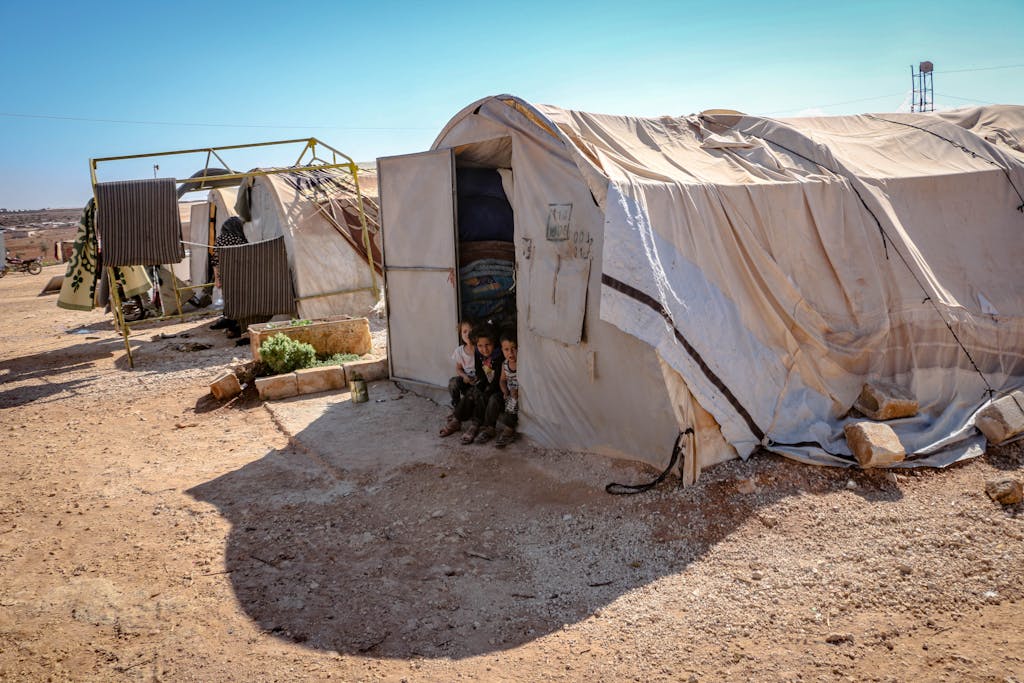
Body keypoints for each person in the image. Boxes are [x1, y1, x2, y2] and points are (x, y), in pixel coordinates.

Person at [439, 324, 503, 443]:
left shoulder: (499, 356)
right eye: (480, 346)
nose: (484, 349)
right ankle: (457, 420)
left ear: (494, 342)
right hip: (486, 384)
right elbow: (480, 372)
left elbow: (498, 380)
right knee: (472, 392)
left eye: (487, 345)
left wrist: (485, 390)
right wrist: (480, 386)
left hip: (498, 388)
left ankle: (475, 425)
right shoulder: (479, 354)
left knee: (484, 395)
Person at [492, 329, 519, 448]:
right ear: (502, 350)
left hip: (519, 394)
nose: (511, 353)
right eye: (506, 349)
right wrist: (505, 391)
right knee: (494, 399)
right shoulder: (505, 364)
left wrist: (516, 392)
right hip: (509, 393)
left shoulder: (523, 363)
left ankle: (509, 429)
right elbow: (502, 380)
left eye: (514, 348)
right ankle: (488, 426)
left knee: (513, 401)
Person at [446, 319, 476, 412]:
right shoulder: (459, 351)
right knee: (453, 382)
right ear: (461, 334)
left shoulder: (481, 349)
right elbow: (458, 368)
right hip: (466, 381)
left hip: (478, 383)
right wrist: (464, 376)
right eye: (464, 331)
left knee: (473, 400)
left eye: (471, 331)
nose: (467, 334)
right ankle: (456, 404)